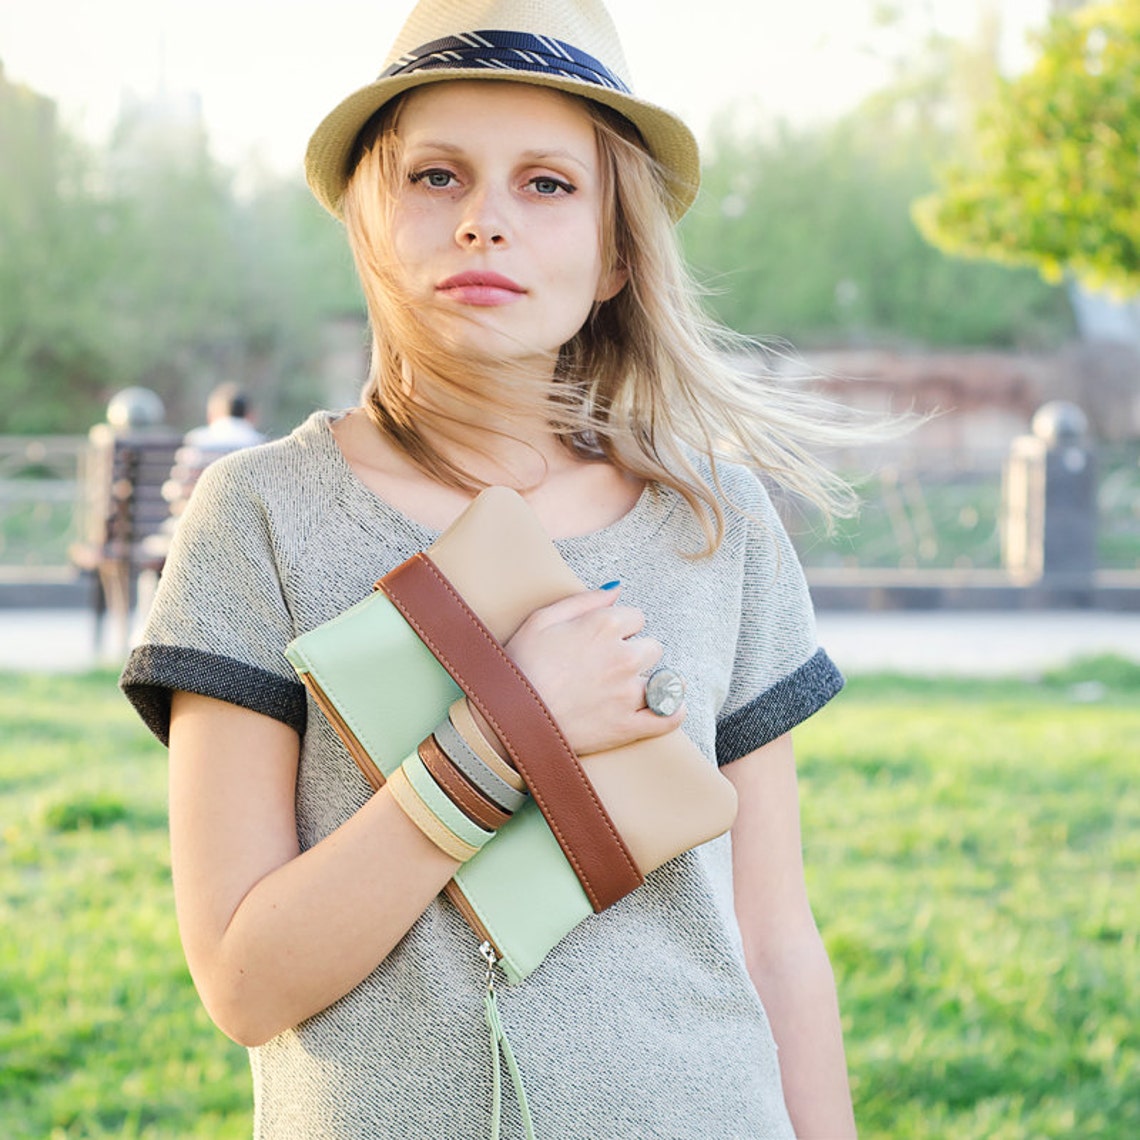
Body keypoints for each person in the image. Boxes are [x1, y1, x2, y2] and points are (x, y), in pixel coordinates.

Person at [121, 1, 862, 1136]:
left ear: (619, 251)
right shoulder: (262, 516)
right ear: (368, 220)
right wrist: (503, 737)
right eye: (436, 177)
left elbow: (775, 940)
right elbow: (245, 981)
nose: (484, 222)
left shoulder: (716, 522)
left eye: (547, 184)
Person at [162, 383, 269, 521]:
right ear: (250, 416)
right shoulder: (261, 444)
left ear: (212, 415)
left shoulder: (197, 440)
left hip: (199, 521)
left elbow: (178, 489)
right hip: (247, 524)